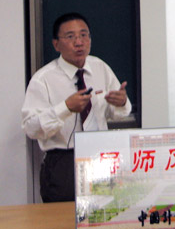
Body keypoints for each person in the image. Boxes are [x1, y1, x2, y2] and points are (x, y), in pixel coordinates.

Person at [21, 12, 131, 202]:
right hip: (64, 163)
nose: (79, 42)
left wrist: (121, 102)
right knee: (62, 216)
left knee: (106, 213)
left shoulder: (100, 68)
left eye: (83, 35)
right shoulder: (43, 79)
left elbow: (117, 114)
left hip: (102, 158)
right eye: (70, 37)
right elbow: (31, 128)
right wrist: (65, 108)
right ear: (56, 44)